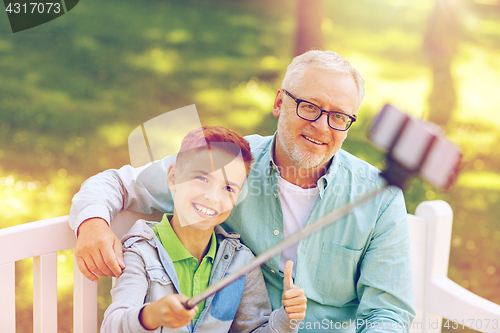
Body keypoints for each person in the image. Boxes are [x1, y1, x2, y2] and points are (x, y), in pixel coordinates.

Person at [70, 50, 415, 332]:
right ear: (280, 103)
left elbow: (387, 315)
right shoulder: (231, 166)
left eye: (339, 116)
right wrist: (93, 224)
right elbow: (118, 183)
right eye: (309, 106)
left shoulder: (380, 197)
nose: (321, 126)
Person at [101, 126, 307, 332]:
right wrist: (152, 315)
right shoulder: (140, 252)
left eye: (228, 188)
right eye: (202, 178)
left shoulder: (242, 263)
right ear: (173, 177)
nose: (212, 197)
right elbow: (112, 325)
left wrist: (286, 318)